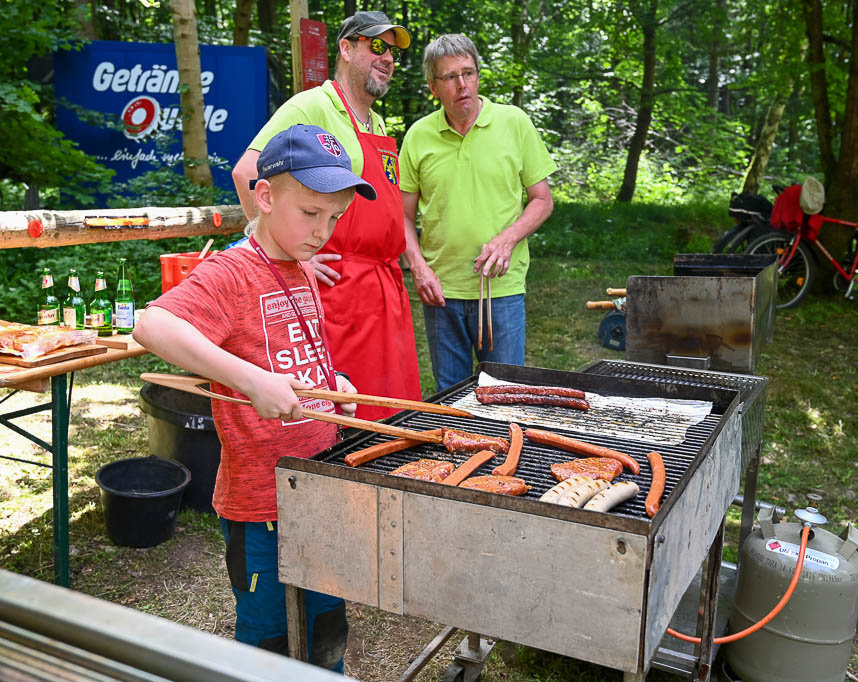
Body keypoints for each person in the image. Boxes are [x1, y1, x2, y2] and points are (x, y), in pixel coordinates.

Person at [134, 124, 376, 672]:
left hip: (320, 481)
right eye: (310, 213)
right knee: (269, 632)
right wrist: (249, 380)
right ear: (265, 197)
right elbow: (152, 326)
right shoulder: (231, 271)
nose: (323, 230)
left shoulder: (300, 267)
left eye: (334, 217)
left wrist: (331, 382)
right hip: (259, 500)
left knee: (326, 618)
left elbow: (292, 351)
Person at [232, 11, 421, 420]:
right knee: (345, 416)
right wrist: (285, 257)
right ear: (346, 48)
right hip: (339, 295)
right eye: (377, 46)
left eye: (392, 51)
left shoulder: (377, 120)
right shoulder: (313, 104)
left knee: (390, 415)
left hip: (383, 292)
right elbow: (247, 171)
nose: (387, 57)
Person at [399, 33, 557, 392]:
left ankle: (505, 451)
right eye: (450, 77)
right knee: (451, 398)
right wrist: (419, 268)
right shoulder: (418, 136)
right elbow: (402, 216)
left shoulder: (513, 122)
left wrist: (507, 239)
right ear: (433, 87)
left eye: (468, 73)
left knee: (504, 393)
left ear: (478, 77)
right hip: (440, 292)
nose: (462, 84)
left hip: (500, 289)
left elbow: (542, 199)